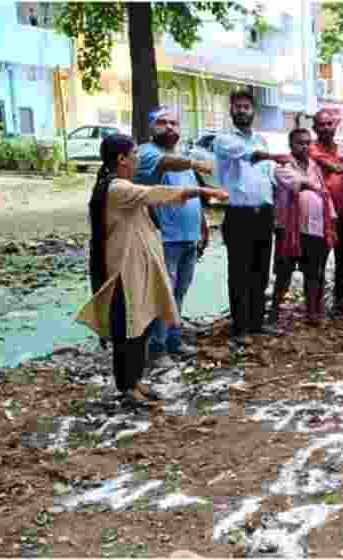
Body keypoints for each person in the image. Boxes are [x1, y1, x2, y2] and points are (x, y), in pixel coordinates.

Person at [77, 133, 228, 406]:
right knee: (128, 330)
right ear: (121, 159)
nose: (138, 158)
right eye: (134, 153)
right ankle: (127, 386)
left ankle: (134, 381)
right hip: (122, 272)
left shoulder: (121, 186)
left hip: (136, 269)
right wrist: (205, 192)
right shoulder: (116, 188)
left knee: (141, 325)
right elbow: (157, 194)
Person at [134, 106, 214, 368]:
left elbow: (191, 193)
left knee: (178, 293)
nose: (170, 127)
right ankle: (156, 350)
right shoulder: (147, 153)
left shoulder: (180, 157)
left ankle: (174, 340)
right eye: (163, 122)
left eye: (175, 123)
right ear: (151, 127)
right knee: (162, 294)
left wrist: (203, 225)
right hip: (164, 239)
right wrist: (195, 162)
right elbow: (165, 165)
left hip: (189, 237)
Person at [213, 90, 291, 346]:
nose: (242, 111)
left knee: (260, 271)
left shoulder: (261, 139)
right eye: (237, 107)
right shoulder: (224, 140)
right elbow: (249, 155)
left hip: (263, 214)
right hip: (239, 215)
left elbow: (268, 178)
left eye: (246, 107)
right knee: (239, 273)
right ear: (231, 111)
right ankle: (241, 327)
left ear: (253, 111)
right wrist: (273, 156)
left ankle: (257, 323)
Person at [271, 128, 338, 326]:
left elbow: (325, 193)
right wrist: (312, 186)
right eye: (301, 143)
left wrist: (331, 219)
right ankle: (274, 313)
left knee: (314, 273)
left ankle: (312, 313)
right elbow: (293, 182)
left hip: (315, 228)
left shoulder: (314, 167)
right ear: (291, 145)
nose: (306, 147)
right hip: (289, 229)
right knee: (284, 273)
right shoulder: (283, 166)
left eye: (309, 143)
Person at [310, 108, 343, 316]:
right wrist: (342, 166)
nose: (326, 128)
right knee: (318, 260)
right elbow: (328, 165)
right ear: (315, 128)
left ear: (335, 126)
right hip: (321, 216)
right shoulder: (310, 149)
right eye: (322, 124)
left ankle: (339, 300)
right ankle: (315, 305)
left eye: (330, 124)